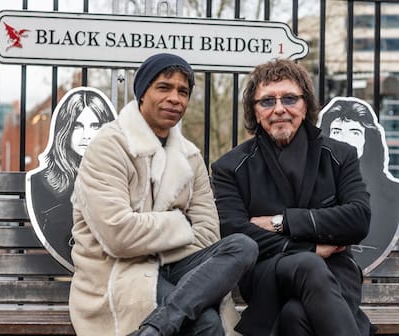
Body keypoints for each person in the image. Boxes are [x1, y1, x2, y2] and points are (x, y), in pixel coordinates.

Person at [69, 53, 258, 336]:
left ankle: (159, 325)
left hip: (176, 266)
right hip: (118, 271)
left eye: (183, 91)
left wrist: (147, 229)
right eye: (164, 87)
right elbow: (118, 235)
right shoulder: (109, 146)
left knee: (243, 246)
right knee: (205, 323)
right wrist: (180, 223)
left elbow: (208, 233)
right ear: (142, 93)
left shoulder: (190, 157)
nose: (175, 98)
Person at [211, 59, 374, 336]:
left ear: (306, 104)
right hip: (267, 275)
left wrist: (281, 221)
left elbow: (358, 219)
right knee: (308, 264)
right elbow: (234, 231)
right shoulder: (230, 168)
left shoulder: (339, 155)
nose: (279, 109)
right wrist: (311, 249)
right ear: (254, 110)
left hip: (336, 274)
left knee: (295, 316)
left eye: (289, 98)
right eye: (266, 101)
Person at [26, 87, 117, 271]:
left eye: (95, 126)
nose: (86, 136)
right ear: (65, 129)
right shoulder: (40, 182)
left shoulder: (122, 177)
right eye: (77, 126)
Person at [318, 97, 399, 274]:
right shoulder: (306, 188)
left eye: (355, 132)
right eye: (337, 131)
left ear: (367, 140)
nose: (345, 140)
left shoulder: (393, 193)